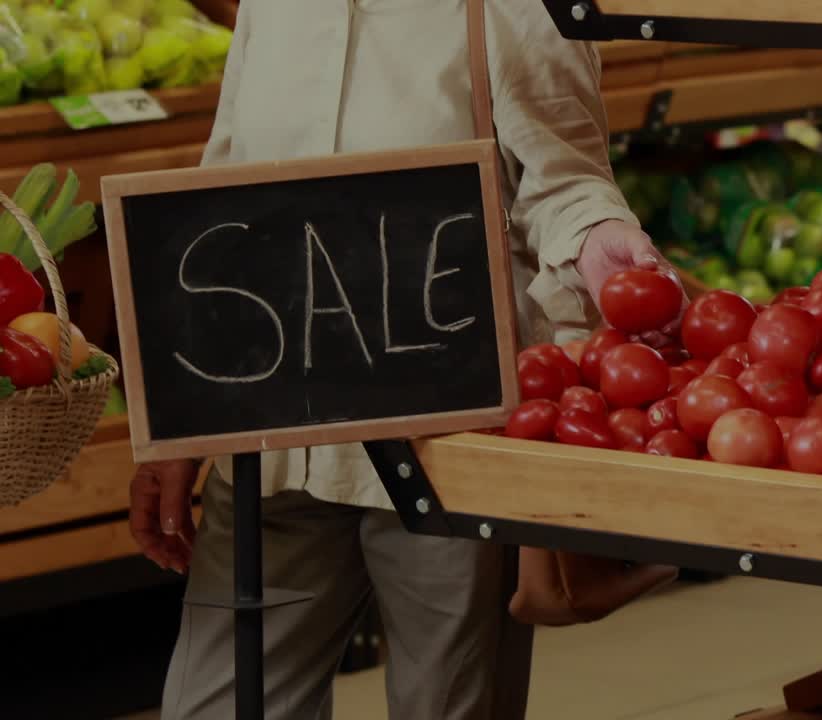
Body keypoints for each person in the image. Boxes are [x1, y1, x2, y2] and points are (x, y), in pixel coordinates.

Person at [127, 1, 683, 718]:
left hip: (450, 444)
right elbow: (225, 190)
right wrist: (182, 414)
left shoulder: (510, 4)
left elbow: (565, 177)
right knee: (217, 704)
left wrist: (599, 237)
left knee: (449, 703)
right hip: (271, 439)